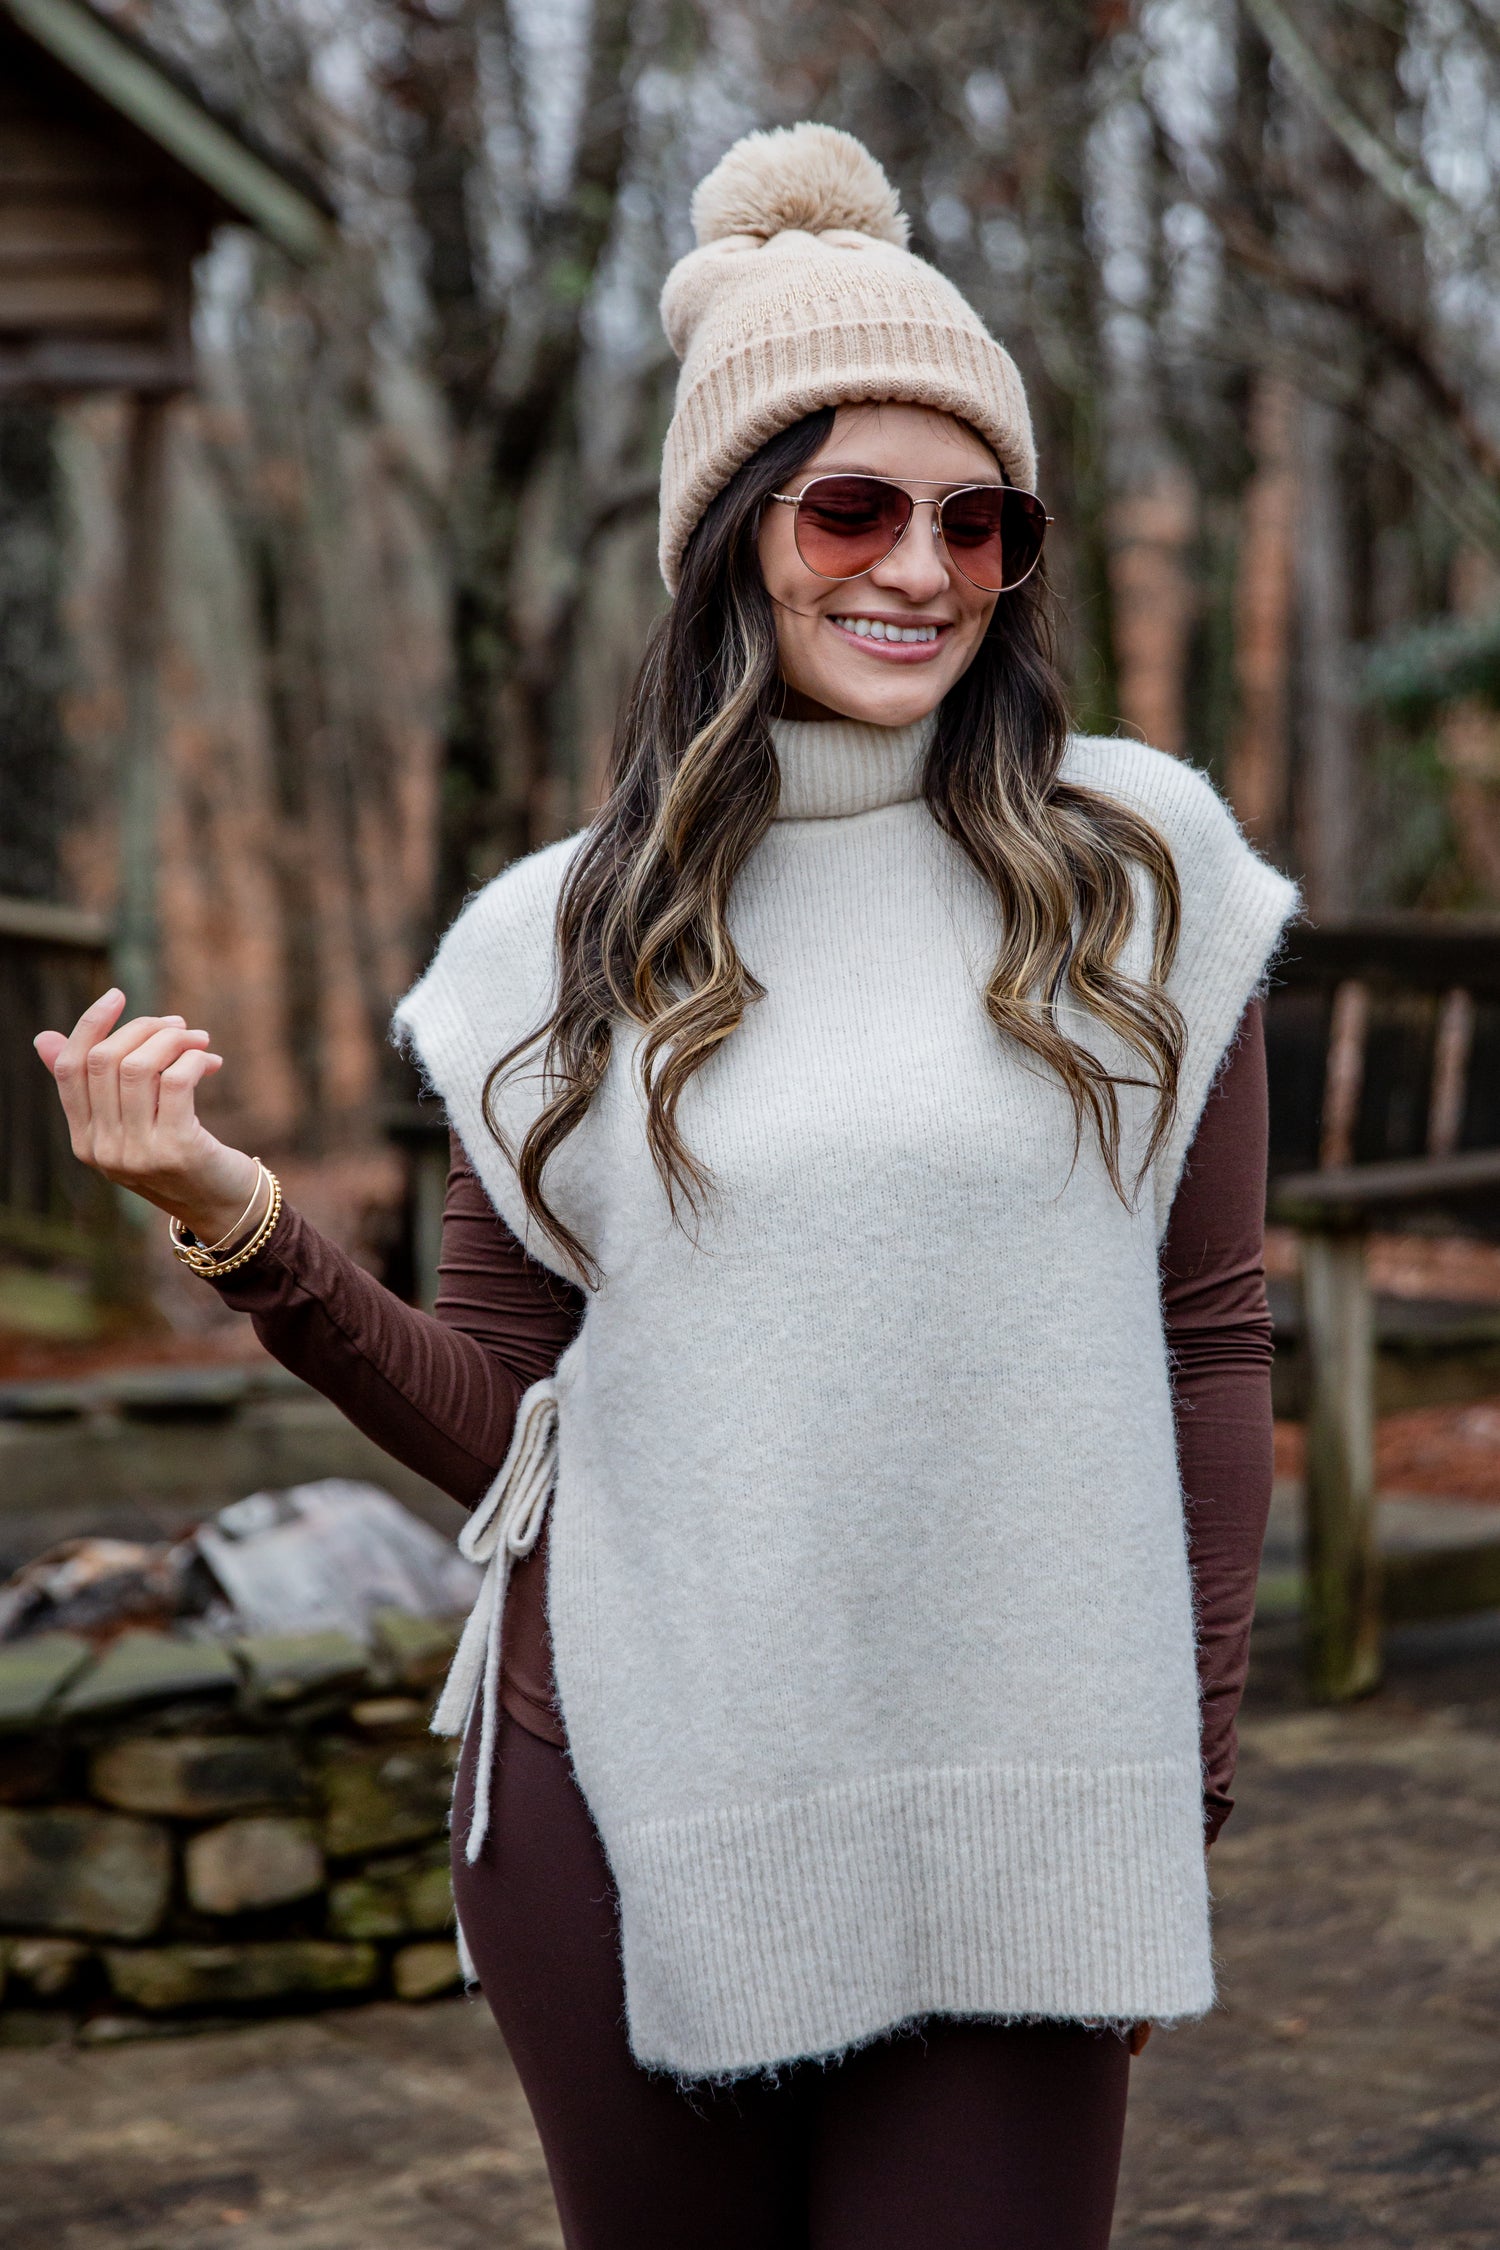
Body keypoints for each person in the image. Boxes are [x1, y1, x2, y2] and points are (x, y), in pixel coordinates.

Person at [36, 124, 1295, 2250]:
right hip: (628, 1792)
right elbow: (501, 1417)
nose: (918, 564)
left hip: (1027, 1802)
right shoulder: (550, 946)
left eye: (977, 521)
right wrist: (236, 1222)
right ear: (730, 537)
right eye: (853, 505)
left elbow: (1209, 1334)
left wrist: (1186, 1775)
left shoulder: (1144, 881)